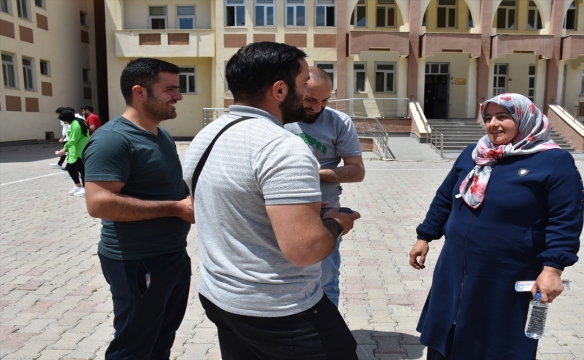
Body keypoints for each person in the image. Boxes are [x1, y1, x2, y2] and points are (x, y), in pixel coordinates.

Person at [182, 42, 360, 360]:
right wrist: (336, 222)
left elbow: (207, 210)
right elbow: (305, 249)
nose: (308, 92)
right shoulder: (282, 148)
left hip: (219, 297)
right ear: (280, 90)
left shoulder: (205, 136)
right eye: (304, 82)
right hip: (278, 309)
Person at [408, 93, 584, 360]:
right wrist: (425, 236)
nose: (493, 124)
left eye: (503, 116)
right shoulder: (474, 153)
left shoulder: (553, 161)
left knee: (495, 340)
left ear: (524, 119)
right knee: (447, 331)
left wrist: (553, 269)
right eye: (488, 117)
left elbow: (565, 218)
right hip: (455, 265)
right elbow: (446, 197)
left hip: (506, 269)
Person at [82, 58, 194, 360]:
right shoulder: (113, 139)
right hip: (137, 261)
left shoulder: (162, 135)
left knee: (160, 340)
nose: (178, 96)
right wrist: (175, 208)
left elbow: (166, 186)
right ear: (139, 92)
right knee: (133, 347)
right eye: (170, 89)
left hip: (172, 256)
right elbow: (98, 203)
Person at [284, 66, 365, 307]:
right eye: (310, 99)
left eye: (325, 100)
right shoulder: (276, 119)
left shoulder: (339, 121)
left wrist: (314, 173)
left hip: (326, 213)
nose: (317, 107)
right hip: (282, 210)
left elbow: (357, 171)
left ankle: (328, 341)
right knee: (285, 278)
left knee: (327, 280)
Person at [55, 110, 89, 196]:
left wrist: (63, 149)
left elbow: (74, 139)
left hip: (80, 150)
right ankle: (78, 186)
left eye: (64, 120)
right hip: (75, 150)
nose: (64, 122)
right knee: (70, 168)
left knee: (82, 170)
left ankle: (85, 189)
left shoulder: (76, 125)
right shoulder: (75, 122)